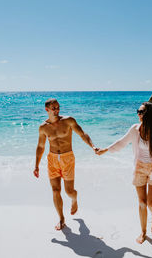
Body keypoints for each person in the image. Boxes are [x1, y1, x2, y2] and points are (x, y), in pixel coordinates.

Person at [96, 102, 152, 244]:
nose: (138, 114)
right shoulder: (135, 129)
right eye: (138, 111)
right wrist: (105, 150)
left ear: (149, 114)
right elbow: (121, 142)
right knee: (142, 203)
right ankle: (143, 232)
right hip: (139, 168)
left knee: (151, 204)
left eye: (141, 112)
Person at [34, 98, 98, 230]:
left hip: (67, 158)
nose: (57, 110)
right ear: (47, 110)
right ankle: (61, 218)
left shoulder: (68, 121)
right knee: (55, 190)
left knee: (69, 191)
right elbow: (40, 146)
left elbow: (82, 134)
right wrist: (36, 165)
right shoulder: (43, 127)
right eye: (54, 108)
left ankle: (74, 199)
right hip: (52, 159)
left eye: (58, 107)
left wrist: (93, 146)